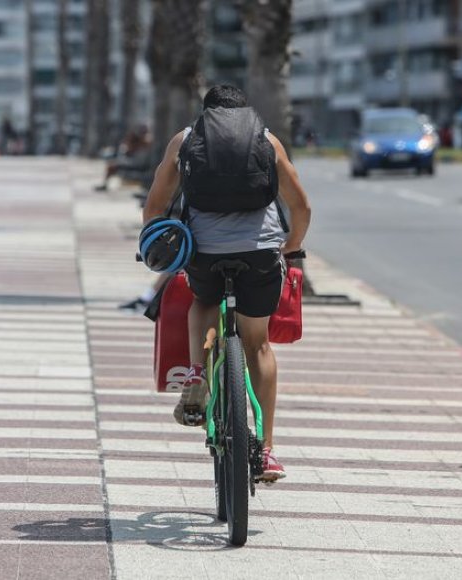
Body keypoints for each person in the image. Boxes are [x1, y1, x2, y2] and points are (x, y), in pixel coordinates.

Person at [142, 84, 312, 483]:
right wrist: (291, 248)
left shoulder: (185, 140)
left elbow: (154, 205)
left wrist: (157, 242)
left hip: (207, 254)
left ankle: (198, 372)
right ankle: (267, 450)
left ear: (207, 114)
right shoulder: (267, 140)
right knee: (259, 344)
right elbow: (301, 205)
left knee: (201, 299)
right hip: (260, 255)